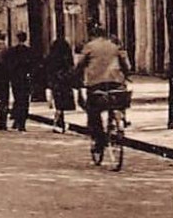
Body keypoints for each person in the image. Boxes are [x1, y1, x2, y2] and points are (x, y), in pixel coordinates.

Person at [74, 26, 132, 157]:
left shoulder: (89, 46)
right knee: (118, 100)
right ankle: (120, 119)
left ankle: (99, 141)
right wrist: (126, 75)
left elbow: (80, 65)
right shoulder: (114, 45)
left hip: (96, 84)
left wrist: (77, 78)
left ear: (93, 35)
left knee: (93, 111)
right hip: (116, 81)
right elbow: (126, 64)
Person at [47, 34, 76, 133]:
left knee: (58, 104)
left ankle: (58, 122)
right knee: (63, 104)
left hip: (56, 82)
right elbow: (72, 68)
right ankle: (60, 122)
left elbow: (48, 70)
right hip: (65, 82)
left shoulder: (52, 59)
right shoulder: (67, 59)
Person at [7, 31, 34, 132]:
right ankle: (22, 122)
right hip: (26, 78)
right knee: (25, 100)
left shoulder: (12, 51)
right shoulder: (29, 51)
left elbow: (9, 65)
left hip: (16, 79)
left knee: (17, 99)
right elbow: (32, 65)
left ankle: (17, 120)